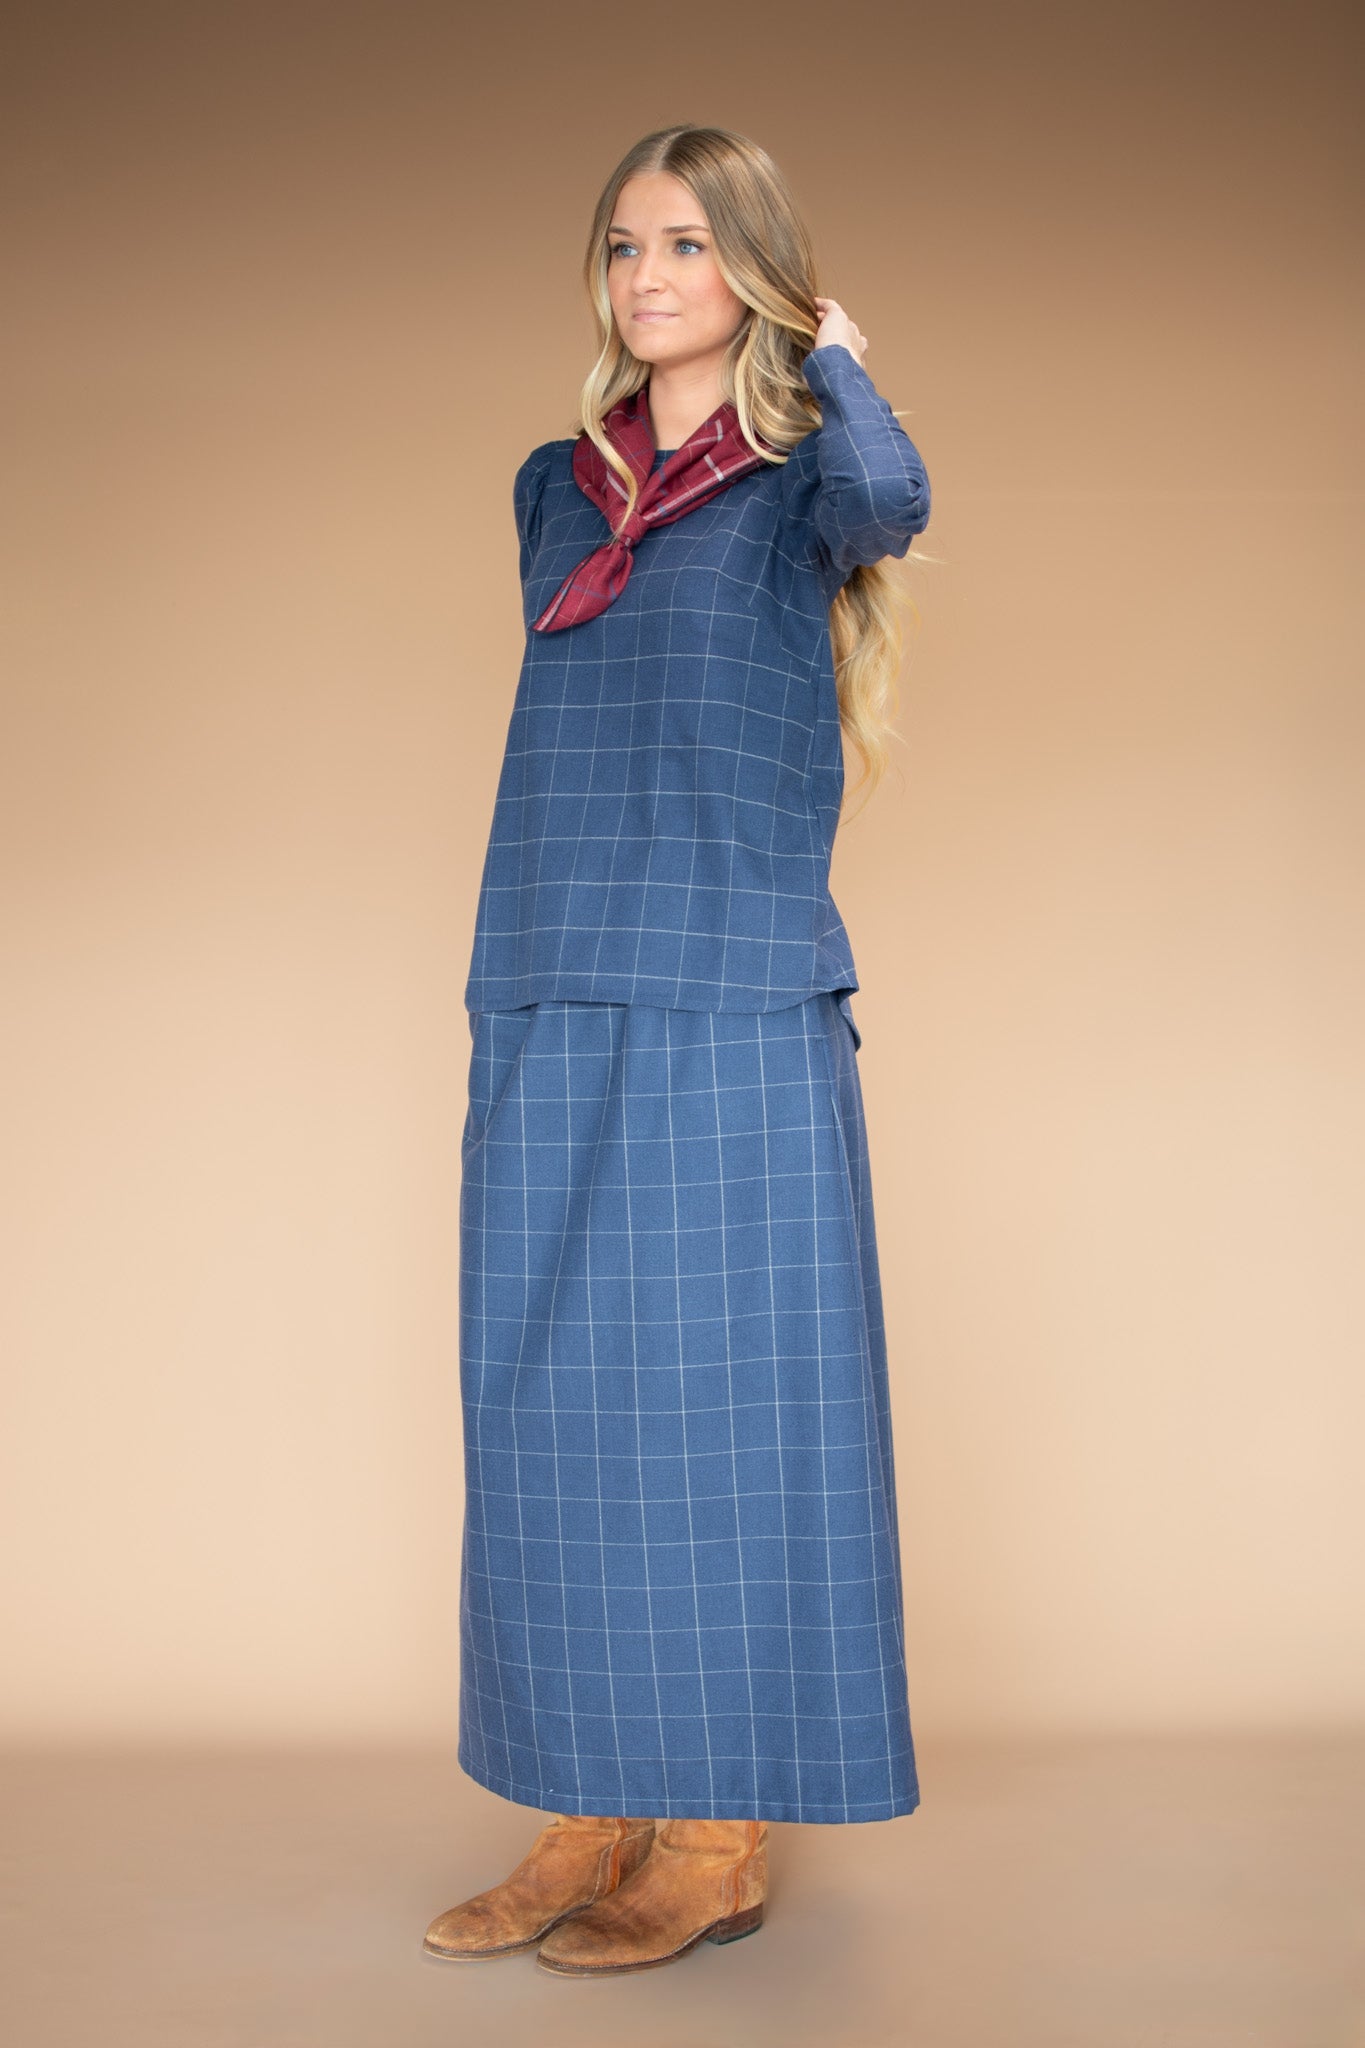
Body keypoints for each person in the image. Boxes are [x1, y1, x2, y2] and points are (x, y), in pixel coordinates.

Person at [423, 122, 931, 1978]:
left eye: (691, 247)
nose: (648, 278)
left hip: (731, 990)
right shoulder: (551, 491)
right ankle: (588, 1810)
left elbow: (898, 501)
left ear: (758, 273)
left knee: (733, 1410)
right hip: (552, 974)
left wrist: (840, 359)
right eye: (626, 246)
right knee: (555, 1411)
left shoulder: (805, 484)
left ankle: (713, 1841)